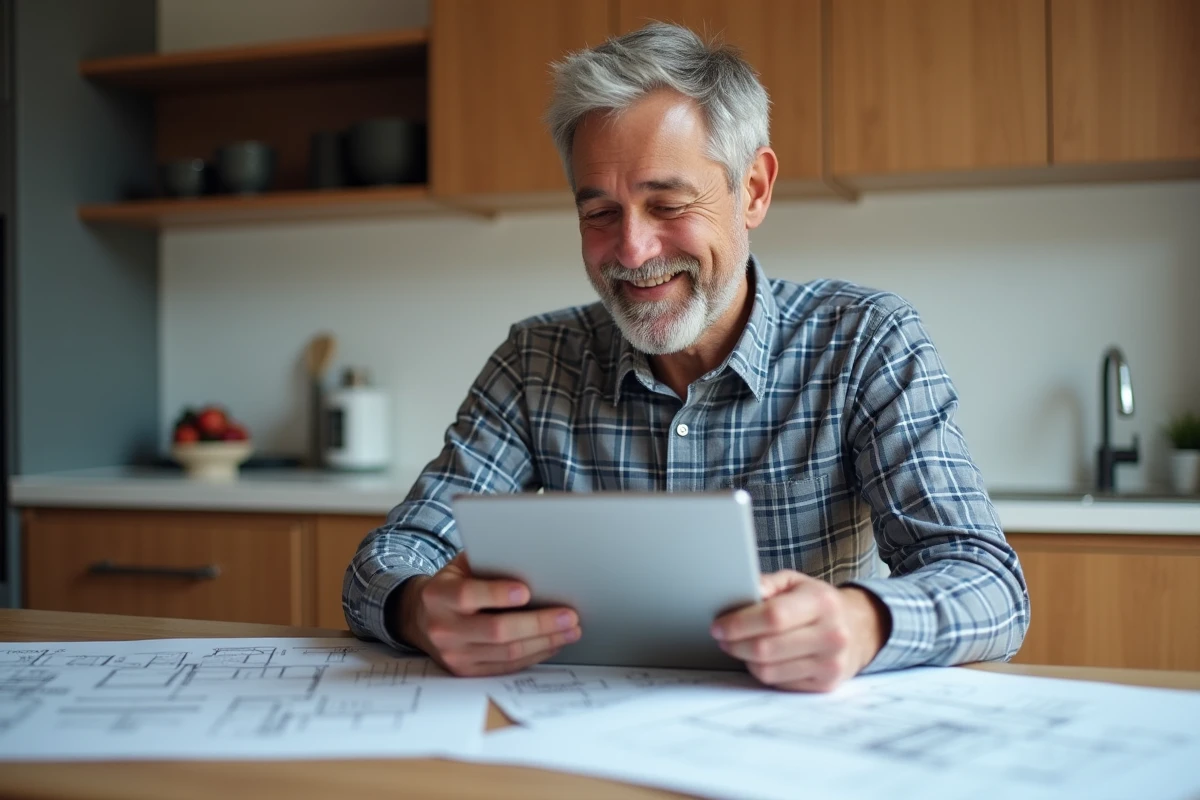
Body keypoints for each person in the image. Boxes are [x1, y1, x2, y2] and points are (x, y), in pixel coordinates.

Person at [344, 23, 1029, 692]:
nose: (633, 251)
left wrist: (865, 621)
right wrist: (418, 610)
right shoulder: (536, 359)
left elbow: (989, 582)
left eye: (667, 204)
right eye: (600, 214)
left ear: (754, 189)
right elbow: (392, 555)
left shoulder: (864, 342)